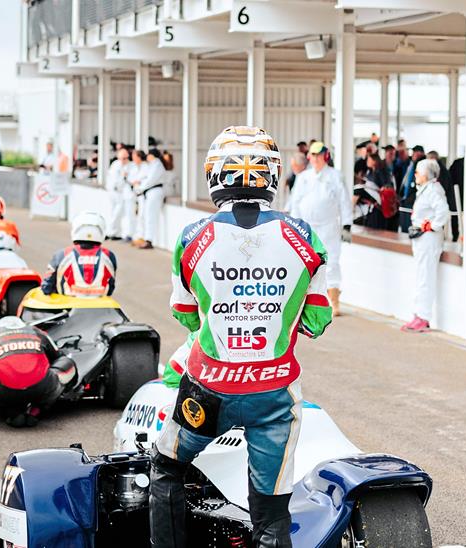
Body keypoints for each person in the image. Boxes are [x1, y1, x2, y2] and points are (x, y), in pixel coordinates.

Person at [151, 126, 332, 548]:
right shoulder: (305, 236)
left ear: (215, 174)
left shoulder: (191, 237)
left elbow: (186, 315)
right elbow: (318, 321)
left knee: (167, 466)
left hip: (208, 387)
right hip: (276, 393)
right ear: (272, 174)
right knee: (271, 513)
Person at [290, 142, 352, 316]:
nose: (315, 159)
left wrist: (347, 224)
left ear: (325, 156)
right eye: (312, 155)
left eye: (318, 155)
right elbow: (296, 201)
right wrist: (295, 224)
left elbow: (344, 201)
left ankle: (334, 301)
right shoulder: (303, 177)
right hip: (307, 227)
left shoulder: (335, 176)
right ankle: (305, 302)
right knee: (306, 262)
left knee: (331, 262)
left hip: (329, 226)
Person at [402, 159, 449, 333]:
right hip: (421, 239)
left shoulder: (434, 190)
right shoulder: (425, 189)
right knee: (420, 277)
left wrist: (432, 226)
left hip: (429, 239)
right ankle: (418, 313)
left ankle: (423, 316)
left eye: (418, 172)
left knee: (425, 278)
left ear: (427, 174)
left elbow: (442, 211)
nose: (415, 175)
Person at [41, 211, 117, 297]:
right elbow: (110, 288)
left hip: (67, 307)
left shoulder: (62, 254)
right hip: (99, 307)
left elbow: (46, 287)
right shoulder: (109, 256)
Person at [134, 148, 165, 249]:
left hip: (154, 192)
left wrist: (139, 188)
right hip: (150, 192)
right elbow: (146, 178)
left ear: (151, 155)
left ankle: (149, 240)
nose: (146, 157)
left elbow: (150, 180)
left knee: (150, 216)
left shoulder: (157, 164)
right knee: (147, 216)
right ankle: (147, 239)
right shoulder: (153, 165)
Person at [399, 145, 426, 232]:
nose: (414, 154)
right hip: (406, 198)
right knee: (404, 225)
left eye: (416, 152)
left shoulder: (421, 165)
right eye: (414, 152)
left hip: (412, 200)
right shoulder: (411, 164)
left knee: (409, 225)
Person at [105, 148, 131, 240]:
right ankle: (112, 232)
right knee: (113, 212)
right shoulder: (115, 164)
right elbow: (113, 179)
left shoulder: (129, 166)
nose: (123, 160)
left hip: (121, 192)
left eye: (125, 158)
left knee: (118, 213)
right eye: (121, 158)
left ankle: (114, 232)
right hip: (113, 191)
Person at [125, 149, 146, 243]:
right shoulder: (133, 167)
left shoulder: (145, 167)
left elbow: (142, 180)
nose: (133, 158)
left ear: (139, 157)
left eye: (135, 156)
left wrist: (137, 182)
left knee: (142, 216)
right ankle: (134, 235)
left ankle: (141, 236)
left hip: (142, 195)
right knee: (132, 216)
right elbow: (131, 180)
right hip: (133, 194)